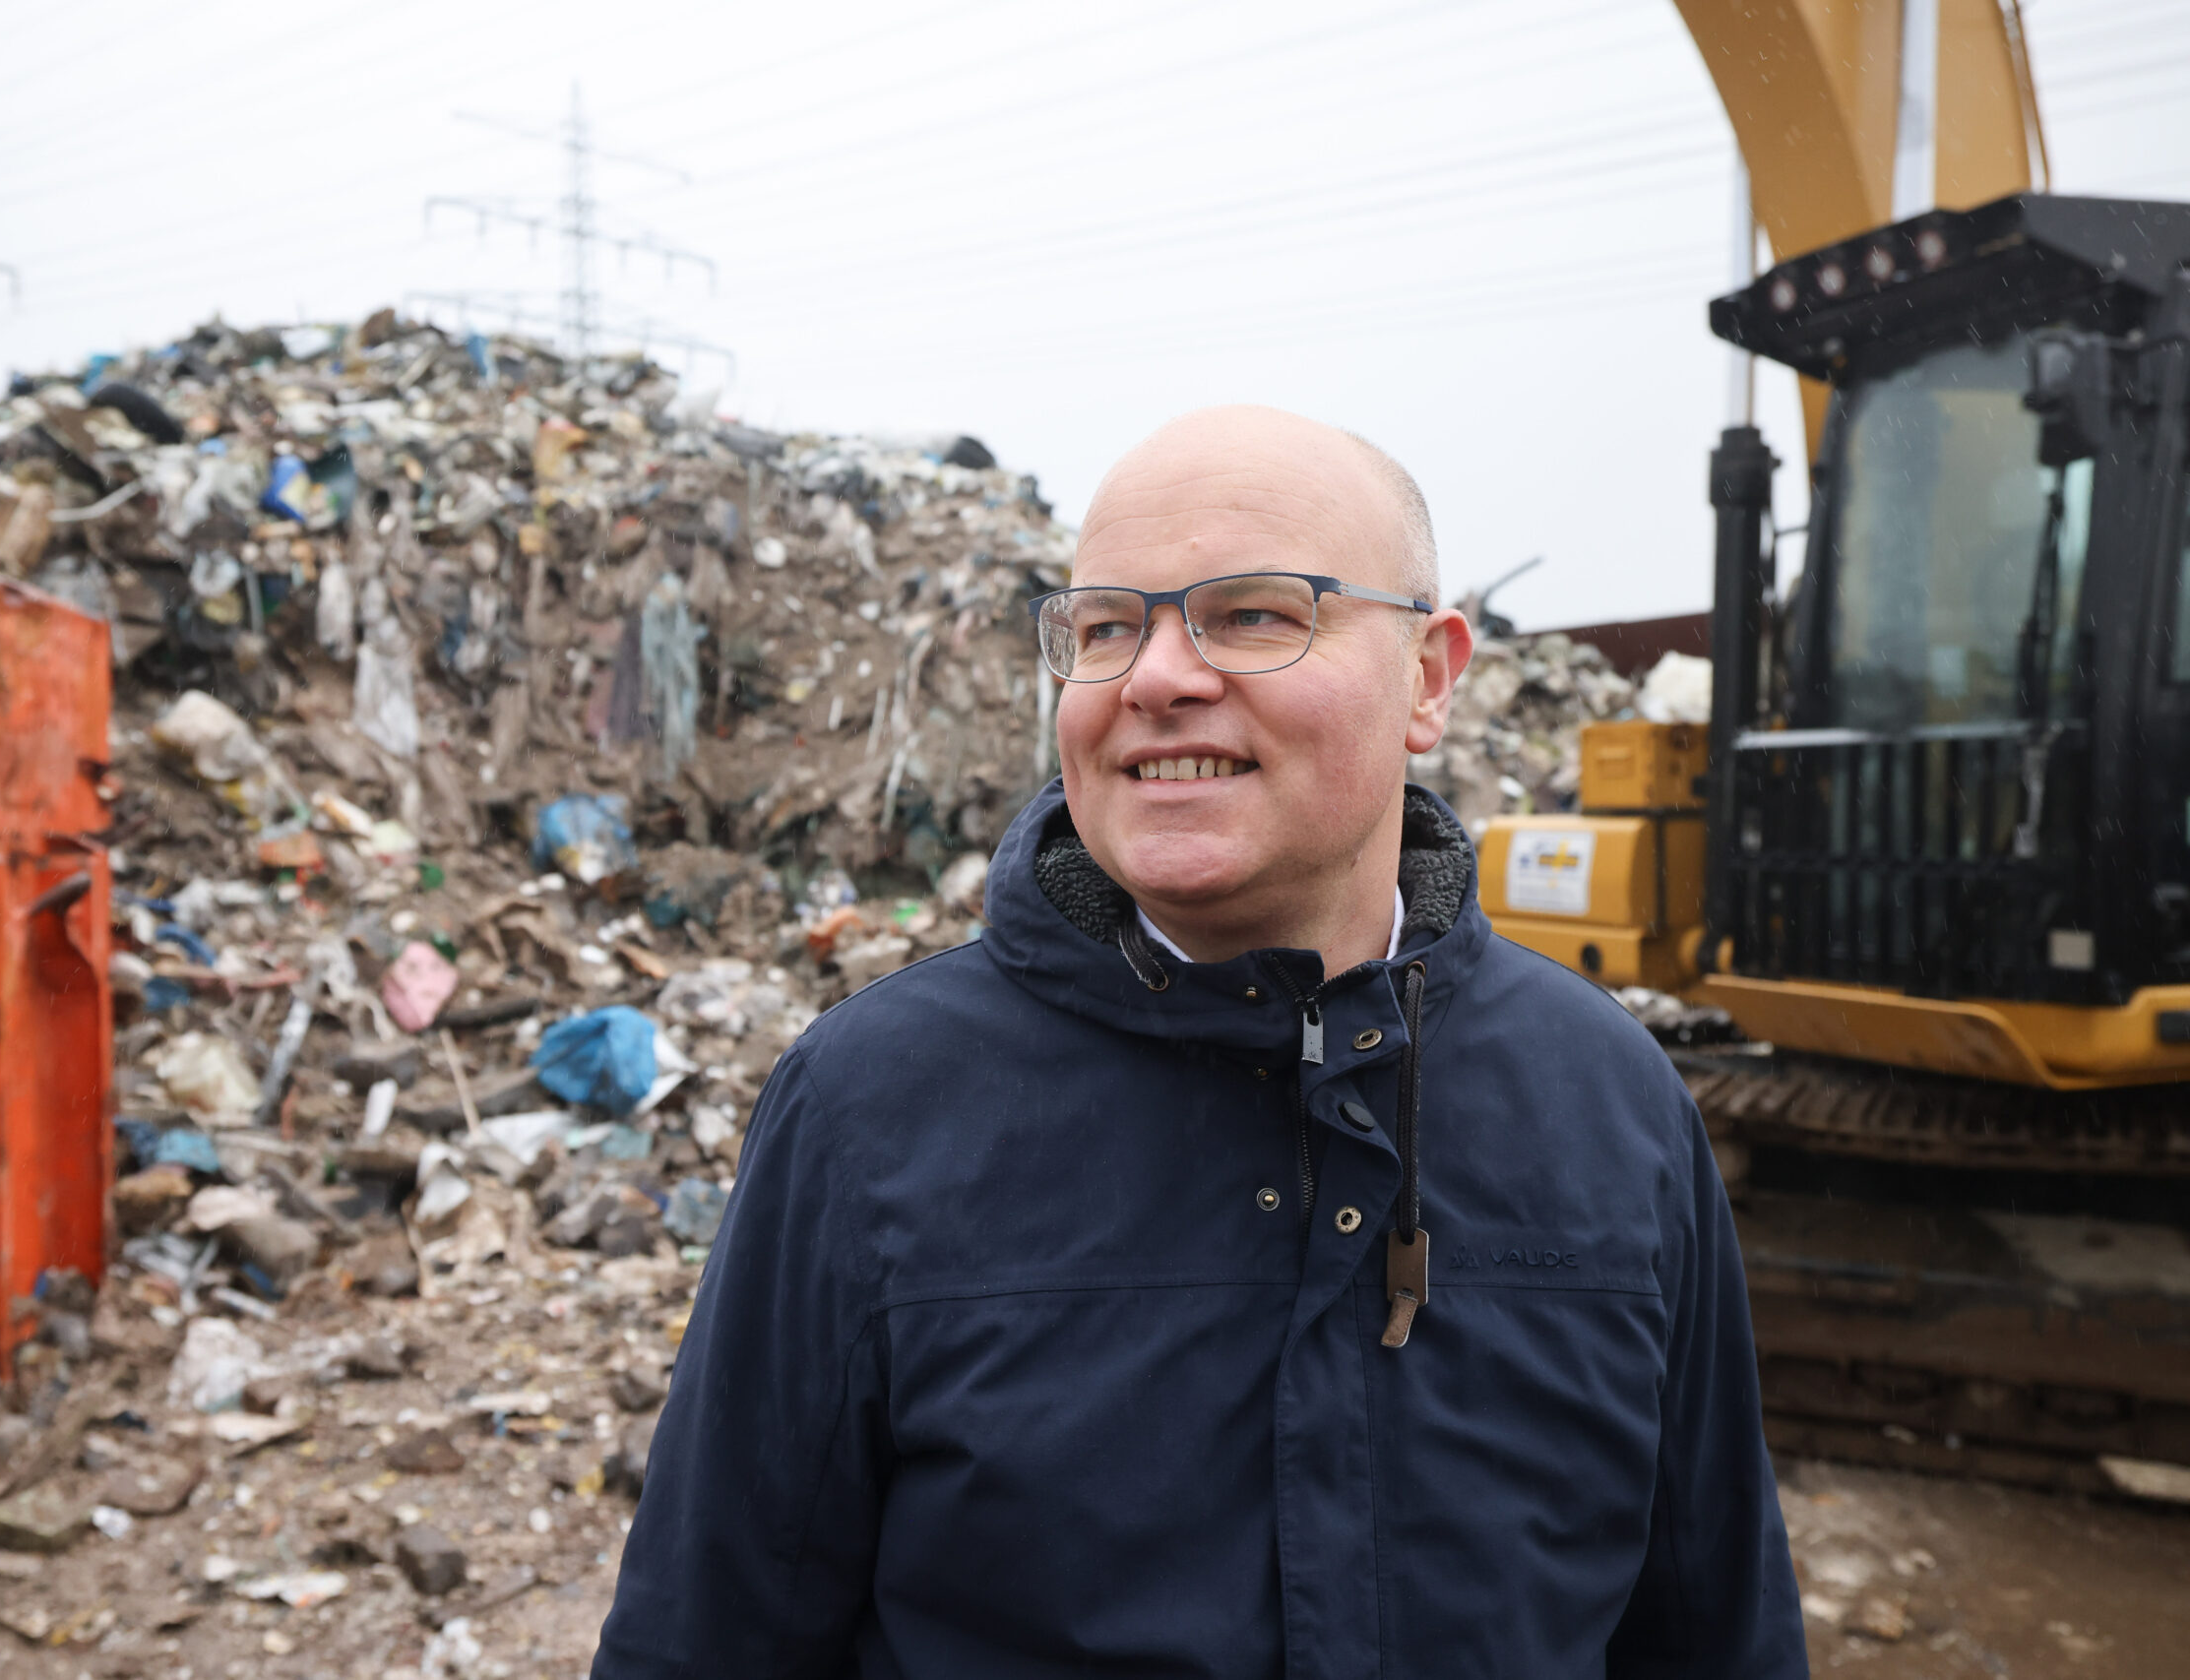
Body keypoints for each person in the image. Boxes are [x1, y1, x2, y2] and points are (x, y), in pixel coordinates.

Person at [593, 405, 1807, 1677]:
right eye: (1109, 627)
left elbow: (1717, 1635)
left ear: (1431, 680)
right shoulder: (867, 1109)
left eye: (1254, 615)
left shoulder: (1614, 1106)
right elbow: (705, 1639)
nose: (1158, 677)